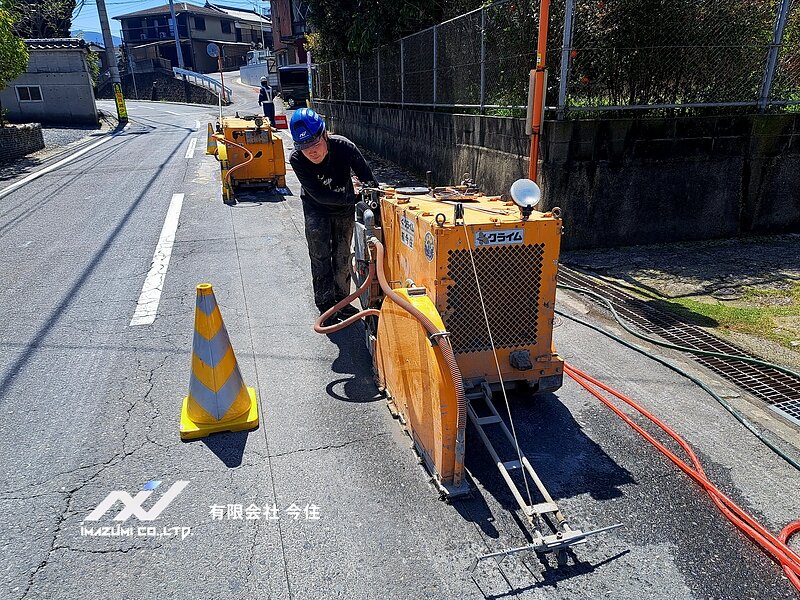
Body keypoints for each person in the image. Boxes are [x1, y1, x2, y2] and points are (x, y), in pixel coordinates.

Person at [289, 108, 376, 326]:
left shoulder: (344, 147)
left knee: (342, 255)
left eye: (314, 144)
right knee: (319, 256)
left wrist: (370, 197)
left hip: (343, 207)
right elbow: (319, 194)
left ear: (324, 134)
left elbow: (369, 179)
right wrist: (354, 198)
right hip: (315, 207)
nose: (312, 152)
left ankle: (342, 301)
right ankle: (326, 306)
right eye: (304, 148)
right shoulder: (297, 159)